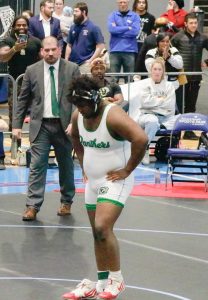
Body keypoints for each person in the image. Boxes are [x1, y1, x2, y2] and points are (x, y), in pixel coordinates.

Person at [62, 75, 148, 300]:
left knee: (102, 226)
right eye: (77, 105)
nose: (80, 110)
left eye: (82, 105)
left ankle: (116, 280)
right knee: (96, 233)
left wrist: (127, 170)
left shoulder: (113, 115)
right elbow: (77, 141)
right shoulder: (78, 115)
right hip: (94, 181)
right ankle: (99, 284)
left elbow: (141, 139)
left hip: (115, 180)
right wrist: (83, 167)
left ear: (94, 99)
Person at [12, 36, 80, 221]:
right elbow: (23, 99)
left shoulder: (72, 68)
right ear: (42, 51)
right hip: (40, 125)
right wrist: (16, 125)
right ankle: (32, 206)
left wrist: (74, 122)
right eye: (46, 50)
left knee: (66, 166)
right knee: (36, 167)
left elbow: (79, 97)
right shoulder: (31, 70)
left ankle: (66, 202)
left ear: (59, 49)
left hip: (64, 125)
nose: (50, 53)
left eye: (53, 49)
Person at [0, 15, 42, 145]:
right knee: (16, 115)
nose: (22, 27)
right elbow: (2, 57)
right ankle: (15, 147)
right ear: (13, 27)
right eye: (18, 25)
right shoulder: (7, 40)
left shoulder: (35, 41)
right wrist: (14, 49)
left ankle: (35, 146)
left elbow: (43, 58)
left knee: (38, 114)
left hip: (34, 82)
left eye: (24, 25)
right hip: (15, 83)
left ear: (28, 26)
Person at [138, 58, 178, 164]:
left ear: (163, 71)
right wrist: (160, 101)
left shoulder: (169, 86)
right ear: (151, 71)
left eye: (159, 69)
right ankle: (144, 150)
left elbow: (169, 105)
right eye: (155, 69)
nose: (157, 72)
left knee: (180, 120)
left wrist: (154, 102)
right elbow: (144, 103)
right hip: (147, 115)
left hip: (166, 117)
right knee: (152, 121)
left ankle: (174, 149)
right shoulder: (145, 84)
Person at [171, 12, 208, 113]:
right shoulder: (177, 37)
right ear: (185, 24)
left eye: (195, 23)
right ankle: (178, 129)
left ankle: (188, 129)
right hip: (180, 77)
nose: (194, 25)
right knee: (178, 107)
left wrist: (206, 62)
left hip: (196, 78)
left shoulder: (203, 37)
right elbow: (168, 54)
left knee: (191, 107)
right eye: (191, 23)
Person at [65, 2, 105, 74]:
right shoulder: (73, 27)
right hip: (72, 64)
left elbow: (100, 45)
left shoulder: (93, 27)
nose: (74, 13)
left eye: (76, 11)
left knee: (85, 84)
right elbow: (69, 45)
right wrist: (66, 59)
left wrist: (91, 60)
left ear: (84, 12)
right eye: (74, 11)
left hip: (85, 64)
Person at [107, 0, 140, 82]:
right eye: (120, 2)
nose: (122, 4)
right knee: (114, 80)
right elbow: (112, 30)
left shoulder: (135, 16)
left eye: (124, 2)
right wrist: (127, 27)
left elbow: (135, 32)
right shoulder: (112, 15)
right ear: (117, 3)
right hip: (115, 50)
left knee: (129, 79)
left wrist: (118, 30)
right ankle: (114, 95)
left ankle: (129, 95)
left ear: (128, 2)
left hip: (129, 50)